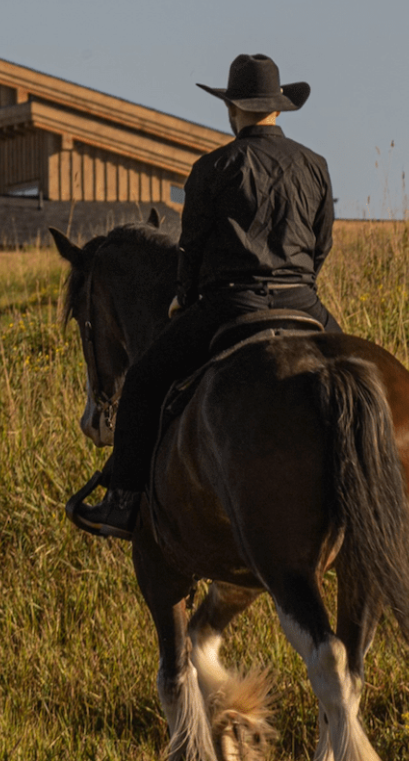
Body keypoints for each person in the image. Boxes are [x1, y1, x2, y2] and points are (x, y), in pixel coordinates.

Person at [73, 53, 340, 540]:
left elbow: (190, 252)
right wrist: (297, 286)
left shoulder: (212, 168)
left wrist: (183, 298)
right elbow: (321, 247)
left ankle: (122, 502)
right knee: (353, 373)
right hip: (304, 305)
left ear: (232, 109)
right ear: (279, 108)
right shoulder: (316, 165)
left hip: (230, 308)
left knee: (144, 382)